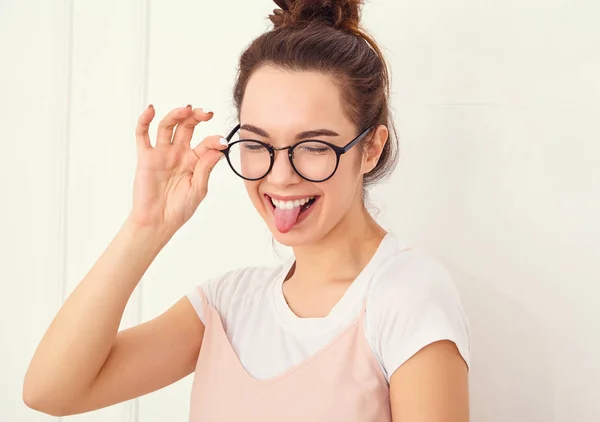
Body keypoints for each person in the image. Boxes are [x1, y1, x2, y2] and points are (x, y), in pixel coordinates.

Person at [23, 0, 470, 420]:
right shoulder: (228, 305)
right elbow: (52, 392)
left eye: (312, 146)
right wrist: (147, 225)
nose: (279, 176)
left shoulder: (406, 296)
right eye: (258, 144)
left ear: (369, 148)